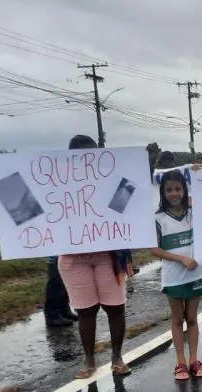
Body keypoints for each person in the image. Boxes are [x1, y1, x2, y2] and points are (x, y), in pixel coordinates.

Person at [58, 134, 134, 379]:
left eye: (91, 155)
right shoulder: (58, 182)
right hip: (73, 257)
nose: (86, 161)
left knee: (115, 307)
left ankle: (116, 357)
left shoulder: (111, 180)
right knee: (86, 311)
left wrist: (145, 165)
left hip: (108, 255)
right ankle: (90, 360)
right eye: (79, 157)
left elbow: (130, 195)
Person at [152, 169, 202, 381]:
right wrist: (180, 259)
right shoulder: (158, 218)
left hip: (195, 274)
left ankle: (194, 359)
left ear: (185, 190)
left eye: (178, 188)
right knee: (177, 319)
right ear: (163, 192)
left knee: (192, 318)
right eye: (169, 190)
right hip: (174, 276)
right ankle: (180, 362)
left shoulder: (194, 212)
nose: (174, 193)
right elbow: (154, 249)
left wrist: (198, 172)